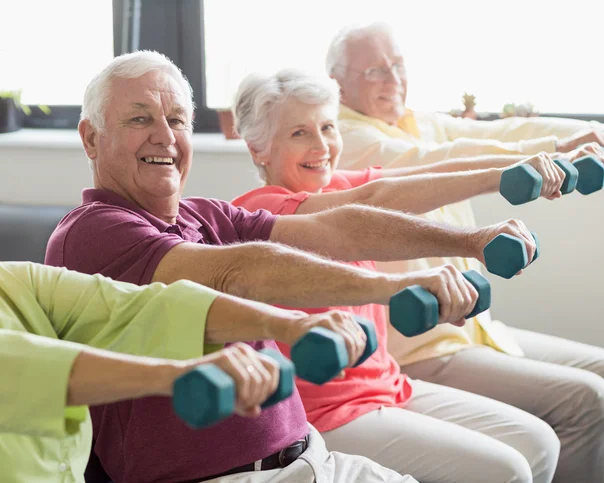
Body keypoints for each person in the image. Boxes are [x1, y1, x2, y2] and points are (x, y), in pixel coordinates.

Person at [45, 50, 539, 483]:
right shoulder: (91, 231)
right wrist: (393, 285)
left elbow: (338, 228)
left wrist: (471, 241)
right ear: (91, 139)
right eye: (139, 120)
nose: (164, 137)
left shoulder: (207, 214)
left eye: (176, 120)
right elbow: (231, 272)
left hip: (311, 459)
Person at [0, 116, 366, 483]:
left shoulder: (5, 282)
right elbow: (16, 367)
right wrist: (179, 375)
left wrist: (289, 326)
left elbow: (145, 305)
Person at [231, 68, 568, 483]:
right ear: (258, 148)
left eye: (327, 127)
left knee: (539, 443)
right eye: (299, 133)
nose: (321, 145)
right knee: (507, 470)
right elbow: (376, 199)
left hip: (389, 385)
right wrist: (477, 231)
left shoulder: (333, 185)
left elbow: (424, 176)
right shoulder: (261, 211)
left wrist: (519, 166)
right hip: (324, 414)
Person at [326, 22, 604, 482]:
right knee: (585, 398)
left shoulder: (418, 121)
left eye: (398, 65)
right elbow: (446, 158)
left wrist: (585, 131)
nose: (393, 80)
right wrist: (552, 149)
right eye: (375, 70)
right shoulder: (345, 139)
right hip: (421, 345)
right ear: (338, 83)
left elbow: (514, 126)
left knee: (599, 373)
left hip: (475, 330)